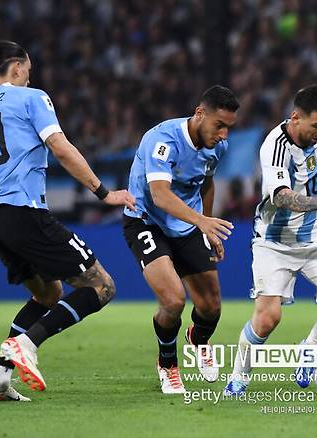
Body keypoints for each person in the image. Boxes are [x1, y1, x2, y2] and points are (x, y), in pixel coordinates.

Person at [0, 41, 135, 402]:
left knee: (49, 293)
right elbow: (60, 147)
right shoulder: (32, 98)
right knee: (101, 286)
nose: (29, 76)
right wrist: (105, 193)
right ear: (19, 67)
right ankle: (27, 344)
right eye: (29, 70)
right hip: (25, 213)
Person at [223, 85, 317, 396]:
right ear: (295, 117)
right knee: (268, 318)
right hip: (275, 242)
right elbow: (283, 198)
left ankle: (308, 349)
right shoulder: (274, 147)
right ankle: (239, 375)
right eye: (315, 127)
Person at [122, 85, 239, 394]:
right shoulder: (162, 140)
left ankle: (198, 339)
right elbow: (160, 195)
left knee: (211, 307)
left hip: (188, 225)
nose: (224, 135)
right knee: (174, 299)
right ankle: (168, 364)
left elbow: (207, 183)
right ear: (199, 114)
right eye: (220, 125)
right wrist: (201, 221)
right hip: (146, 221)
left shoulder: (218, 147)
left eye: (229, 127)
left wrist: (207, 227)